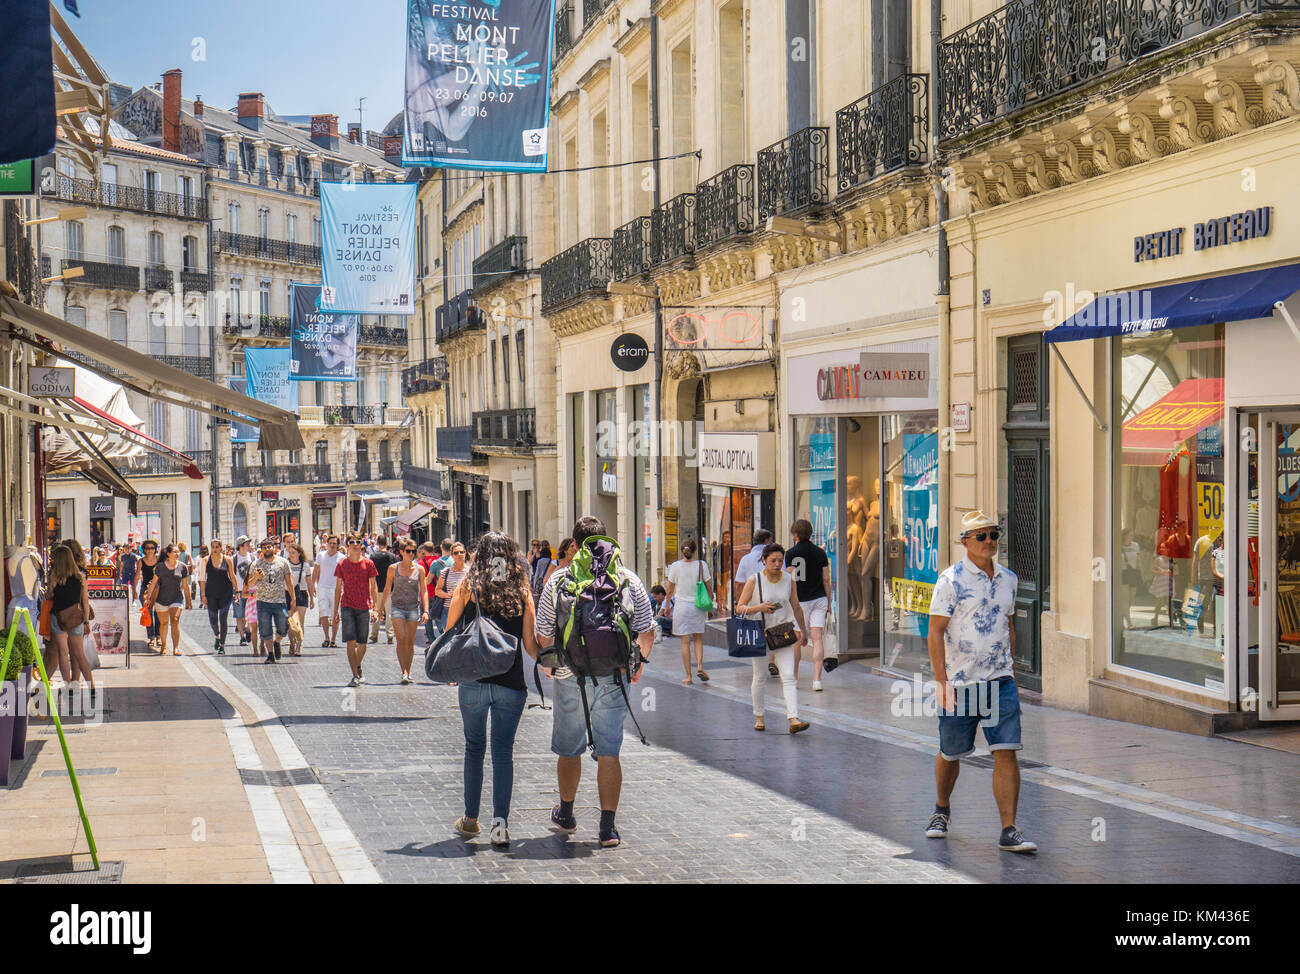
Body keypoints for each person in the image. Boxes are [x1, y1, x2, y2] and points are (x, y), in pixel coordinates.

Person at [536, 515, 655, 849]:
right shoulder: (627, 578)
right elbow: (647, 629)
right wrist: (639, 663)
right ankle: (607, 828)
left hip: (568, 675)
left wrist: (549, 665)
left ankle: (567, 814)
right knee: (609, 751)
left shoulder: (559, 579)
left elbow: (544, 632)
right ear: (607, 540)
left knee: (569, 748)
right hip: (613, 676)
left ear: (574, 546)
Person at [925, 510, 1036, 854]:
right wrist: (941, 683)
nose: (990, 541)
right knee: (951, 752)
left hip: (999, 680)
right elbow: (936, 631)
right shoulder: (950, 580)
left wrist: (1013, 674)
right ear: (965, 542)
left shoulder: (1009, 579)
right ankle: (942, 808)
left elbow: (1008, 626)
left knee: (1006, 751)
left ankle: (1009, 830)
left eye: (994, 534)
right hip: (960, 683)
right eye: (982, 536)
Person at [442, 531, 539, 847]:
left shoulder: (469, 587)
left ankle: (470, 819)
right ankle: (501, 825)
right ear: (512, 557)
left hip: (473, 680)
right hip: (510, 684)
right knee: (502, 753)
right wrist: (553, 664)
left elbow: (450, 631)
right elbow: (530, 645)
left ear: (479, 556)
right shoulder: (522, 591)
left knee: (474, 748)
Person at [736, 543, 810, 734]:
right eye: (772, 561)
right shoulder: (755, 580)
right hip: (759, 632)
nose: (777, 564)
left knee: (788, 676)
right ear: (763, 561)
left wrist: (803, 630)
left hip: (782, 633)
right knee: (760, 676)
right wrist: (759, 608)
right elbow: (739, 608)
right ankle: (759, 716)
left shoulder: (788, 580)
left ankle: (793, 718)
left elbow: (796, 606)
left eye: (780, 560)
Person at [45, 545, 96, 704]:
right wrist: (86, 621)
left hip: (58, 618)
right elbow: (85, 602)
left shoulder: (54, 577)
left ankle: (68, 687)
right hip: (76, 618)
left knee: (63, 654)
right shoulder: (80, 577)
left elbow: (49, 596)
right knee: (80, 654)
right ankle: (91, 687)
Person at [786, 519, 832, 690]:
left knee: (797, 640)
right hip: (819, 598)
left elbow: (789, 579)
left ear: (795, 534)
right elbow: (826, 579)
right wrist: (828, 602)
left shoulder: (790, 553)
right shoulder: (820, 553)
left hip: (800, 601)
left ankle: (795, 678)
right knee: (817, 637)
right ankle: (817, 680)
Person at [377, 540, 428, 684]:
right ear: (401, 552)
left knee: (410, 642)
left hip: (413, 608)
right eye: (408, 551)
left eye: (413, 551)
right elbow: (387, 588)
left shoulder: (420, 569)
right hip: (397, 607)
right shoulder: (393, 568)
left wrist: (426, 611)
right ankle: (403, 672)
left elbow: (423, 591)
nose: (411, 554)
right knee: (402, 638)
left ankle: (408, 670)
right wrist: (380, 609)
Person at [333, 533, 379, 686]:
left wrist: (376, 609)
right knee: (351, 641)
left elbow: (374, 587)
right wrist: (335, 613)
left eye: (357, 542)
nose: (354, 544)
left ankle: (357, 666)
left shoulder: (369, 564)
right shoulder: (342, 565)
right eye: (351, 542)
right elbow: (338, 588)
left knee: (363, 643)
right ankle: (355, 675)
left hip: (364, 606)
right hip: (347, 605)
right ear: (347, 545)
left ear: (361, 544)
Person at [665, 538, 711, 684]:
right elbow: (709, 587)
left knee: (685, 642)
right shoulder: (701, 565)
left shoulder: (675, 566)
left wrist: (666, 606)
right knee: (698, 639)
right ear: (696, 550)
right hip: (697, 606)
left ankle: (688, 676)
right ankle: (699, 666)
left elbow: (670, 589)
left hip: (681, 607)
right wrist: (710, 606)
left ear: (682, 551)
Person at [734, 530, 778, 677]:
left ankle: (760, 665)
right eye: (770, 541)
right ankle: (772, 660)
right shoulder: (774, 558)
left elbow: (739, 583)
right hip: (771, 599)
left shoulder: (745, 559)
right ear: (766, 541)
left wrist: (739, 602)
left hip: (752, 603)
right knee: (773, 630)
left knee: (757, 631)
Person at [246, 537, 295, 665]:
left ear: (274, 548)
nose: (267, 549)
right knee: (265, 629)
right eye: (265, 547)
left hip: (280, 601)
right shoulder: (256, 564)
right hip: (263, 602)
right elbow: (249, 584)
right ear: (261, 550)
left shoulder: (283, 562)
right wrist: (256, 577)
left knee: (284, 626)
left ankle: (277, 642)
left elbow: (289, 582)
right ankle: (271, 654)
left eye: (269, 547)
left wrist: (293, 599)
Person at [143, 543, 191, 656]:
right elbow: (154, 583)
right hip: (161, 599)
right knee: (164, 623)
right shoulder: (160, 567)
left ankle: (175, 648)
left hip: (176, 598)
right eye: (174, 552)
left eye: (178, 552)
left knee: (175, 620)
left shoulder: (182, 567)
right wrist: (148, 598)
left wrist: (189, 600)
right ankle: (164, 646)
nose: (177, 554)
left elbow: (185, 585)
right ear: (168, 554)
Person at [200, 538, 239, 655]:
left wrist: (237, 591)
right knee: (213, 619)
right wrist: (203, 595)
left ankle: (222, 645)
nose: (215, 549)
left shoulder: (228, 560)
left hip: (225, 593)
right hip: (211, 593)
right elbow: (202, 579)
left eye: (217, 546)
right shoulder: (206, 560)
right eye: (213, 547)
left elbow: (232, 576)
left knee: (223, 618)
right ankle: (217, 636)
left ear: (221, 548)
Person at [313, 534, 343, 648]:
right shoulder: (321, 555)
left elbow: (344, 575)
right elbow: (315, 571)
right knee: (323, 613)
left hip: (336, 588)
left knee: (335, 614)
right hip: (322, 587)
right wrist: (313, 586)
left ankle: (334, 639)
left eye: (334, 543)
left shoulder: (342, 558)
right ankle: (326, 637)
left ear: (338, 545)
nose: (332, 545)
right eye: (330, 543)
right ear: (327, 544)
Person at [369, 536, 397, 646]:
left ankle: (374, 634)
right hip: (389, 588)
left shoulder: (373, 556)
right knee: (389, 612)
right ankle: (390, 635)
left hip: (376, 587)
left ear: (377, 543)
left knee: (376, 610)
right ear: (387, 543)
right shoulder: (392, 556)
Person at [433, 543, 468, 633]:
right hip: (448, 609)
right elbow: (437, 591)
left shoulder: (470, 572)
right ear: (452, 556)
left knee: (463, 639)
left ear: (465, 553)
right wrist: (448, 595)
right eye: (456, 553)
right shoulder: (446, 572)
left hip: (466, 610)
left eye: (462, 552)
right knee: (449, 638)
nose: (459, 554)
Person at [286, 542, 313, 656]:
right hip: (288, 594)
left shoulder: (305, 566)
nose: (291, 555)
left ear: (299, 554)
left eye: (293, 553)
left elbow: (309, 582)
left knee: (300, 621)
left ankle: (298, 646)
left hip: (301, 594)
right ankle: (292, 642)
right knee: (291, 622)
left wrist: (312, 598)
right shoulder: (286, 564)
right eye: (290, 553)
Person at [134, 540, 162, 651]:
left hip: (158, 589)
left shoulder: (159, 560)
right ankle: (151, 637)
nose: (150, 550)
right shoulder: (141, 561)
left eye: (152, 548)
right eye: (147, 548)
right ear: (144, 550)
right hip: (145, 590)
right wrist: (134, 589)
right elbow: (137, 576)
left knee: (158, 613)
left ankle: (158, 636)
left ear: (155, 549)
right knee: (148, 614)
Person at [232, 536, 254, 646]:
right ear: (241, 546)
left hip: (250, 591)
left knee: (248, 614)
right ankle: (242, 637)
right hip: (237, 591)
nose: (249, 546)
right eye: (247, 544)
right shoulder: (234, 559)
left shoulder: (252, 557)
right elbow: (231, 575)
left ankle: (248, 630)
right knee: (239, 615)